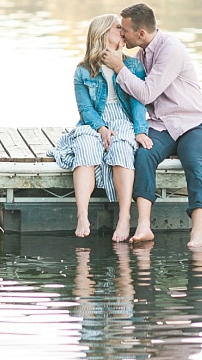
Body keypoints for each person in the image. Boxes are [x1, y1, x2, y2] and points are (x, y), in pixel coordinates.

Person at [100, 3, 202, 248]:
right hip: (161, 126)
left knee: (194, 164)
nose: (122, 34)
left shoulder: (170, 49)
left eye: (125, 31)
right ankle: (143, 226)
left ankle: (197, 233)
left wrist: (119, 67)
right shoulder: (141, 54)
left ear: (141, 34)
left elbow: (147, 93)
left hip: (191, 123)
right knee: (143, 156)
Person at [48, 14, 153, 241]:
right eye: (118, 28)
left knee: (123, 146)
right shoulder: (83, 70)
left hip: (123, 119)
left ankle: (124, 218)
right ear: (104, 33)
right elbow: (85, 109)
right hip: (94, 120)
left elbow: (138, 103)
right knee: (85, 142)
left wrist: (140, 130)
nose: (124, 32)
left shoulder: (133, 65)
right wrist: (101, 127)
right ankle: (82, 215)